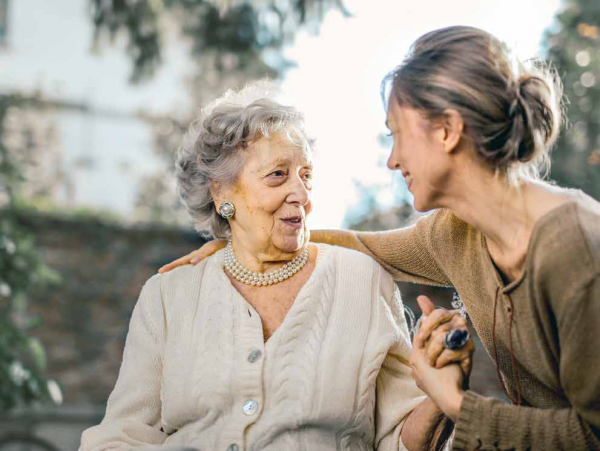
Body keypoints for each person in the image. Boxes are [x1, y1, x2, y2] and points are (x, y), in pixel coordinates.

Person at [160, 27, 600, 450]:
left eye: (397, 134)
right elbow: (362, 245)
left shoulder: (574, 247)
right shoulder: (455, 234)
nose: (392, 160)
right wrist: (243, 239)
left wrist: (454, 403)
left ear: (446, 130)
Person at [80, 83, 461, 451]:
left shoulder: (362, 282)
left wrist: (440, 397)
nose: (301, 194)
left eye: (306, 176)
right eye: (278, 174)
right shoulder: (167, 296)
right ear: (222, 192)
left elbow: (402, 441)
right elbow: (120, 437)